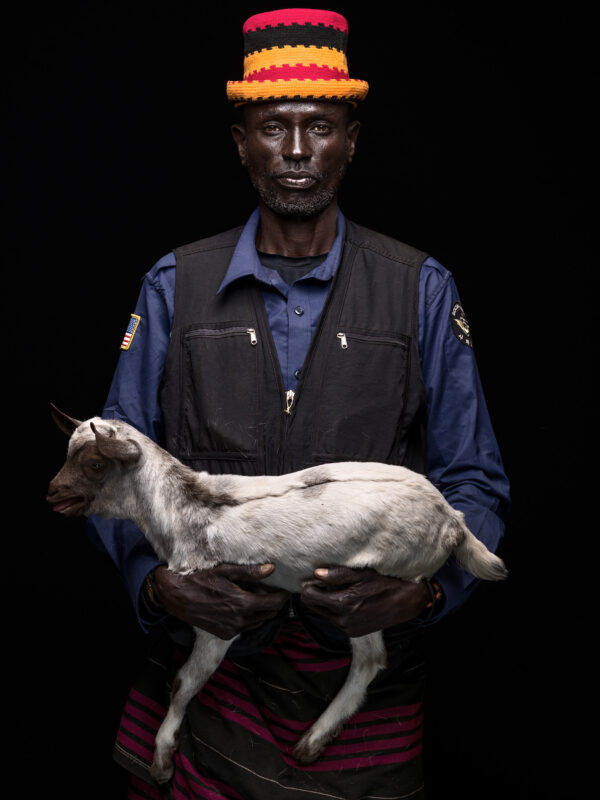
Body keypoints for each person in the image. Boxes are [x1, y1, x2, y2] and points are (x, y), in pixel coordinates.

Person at [87, 8, 510, 799]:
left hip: (365, 702)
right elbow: (114, 466)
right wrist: (154, 583)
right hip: (208, 685)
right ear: (239, 141)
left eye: (319, 126)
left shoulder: (420, 289)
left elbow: (475, 479)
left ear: (351, 140)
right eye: (272, 126)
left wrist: (425, 593)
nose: (294, 150)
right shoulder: (174, 285)